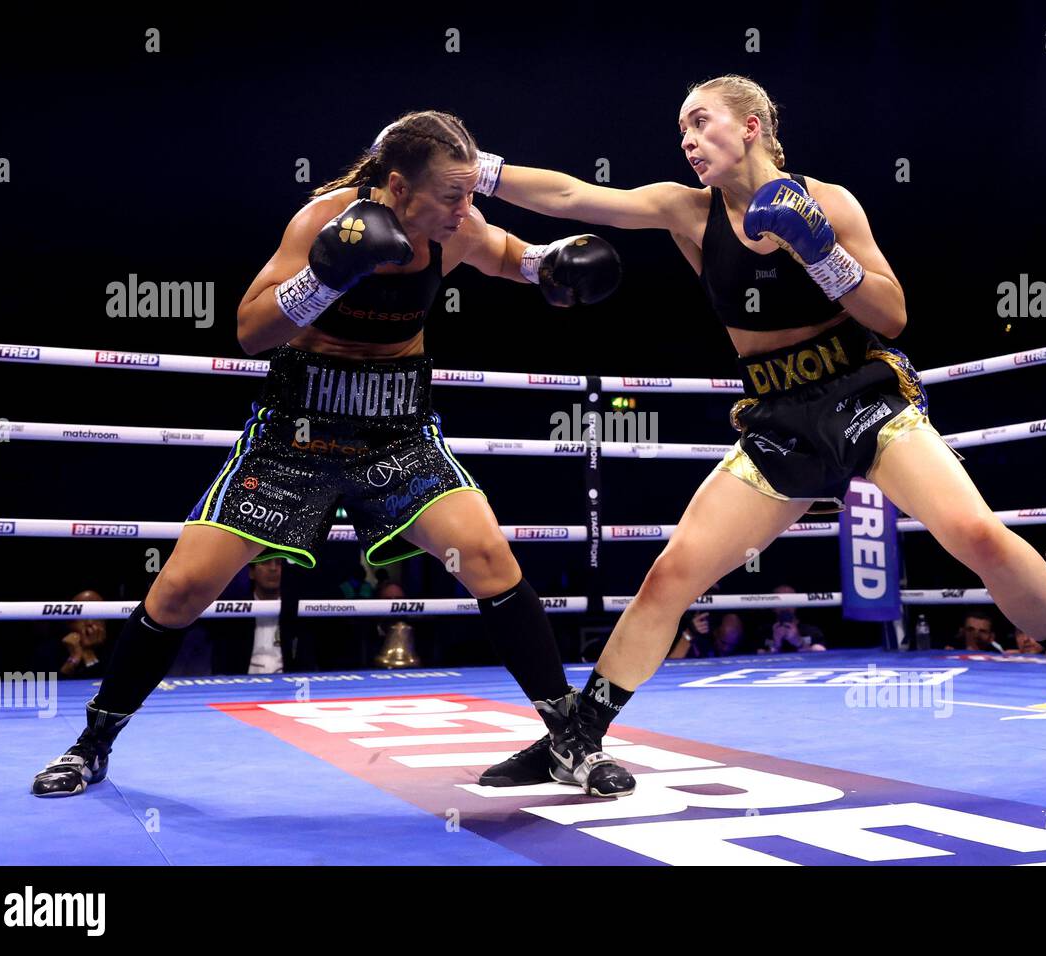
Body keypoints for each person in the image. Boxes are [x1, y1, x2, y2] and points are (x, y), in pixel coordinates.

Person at [480, 74, 1046, 790]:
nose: (685, 139)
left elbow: (892, 315)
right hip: (778, 417)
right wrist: (478, 170)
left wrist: (820, 252)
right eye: (679, 129)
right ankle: (576, 734)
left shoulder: (829, 201)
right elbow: (570, 196)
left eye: (699, 121)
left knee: (979, 535)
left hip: (861, 394)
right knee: (672, 574)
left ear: (750, 126)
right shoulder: (687, 212)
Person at [31, 110, 628, 798]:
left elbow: (504, 253)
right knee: (184, 586)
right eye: (452, 196)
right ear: (398, 188)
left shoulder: (455, 228)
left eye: (470, 196)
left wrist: (549, 265)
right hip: (297, 431)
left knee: (489, 558)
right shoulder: (320, 221)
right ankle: (91, 745)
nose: (467, 209)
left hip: (396, 430)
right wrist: (327, 276)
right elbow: (251, 332)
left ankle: (569, 741)